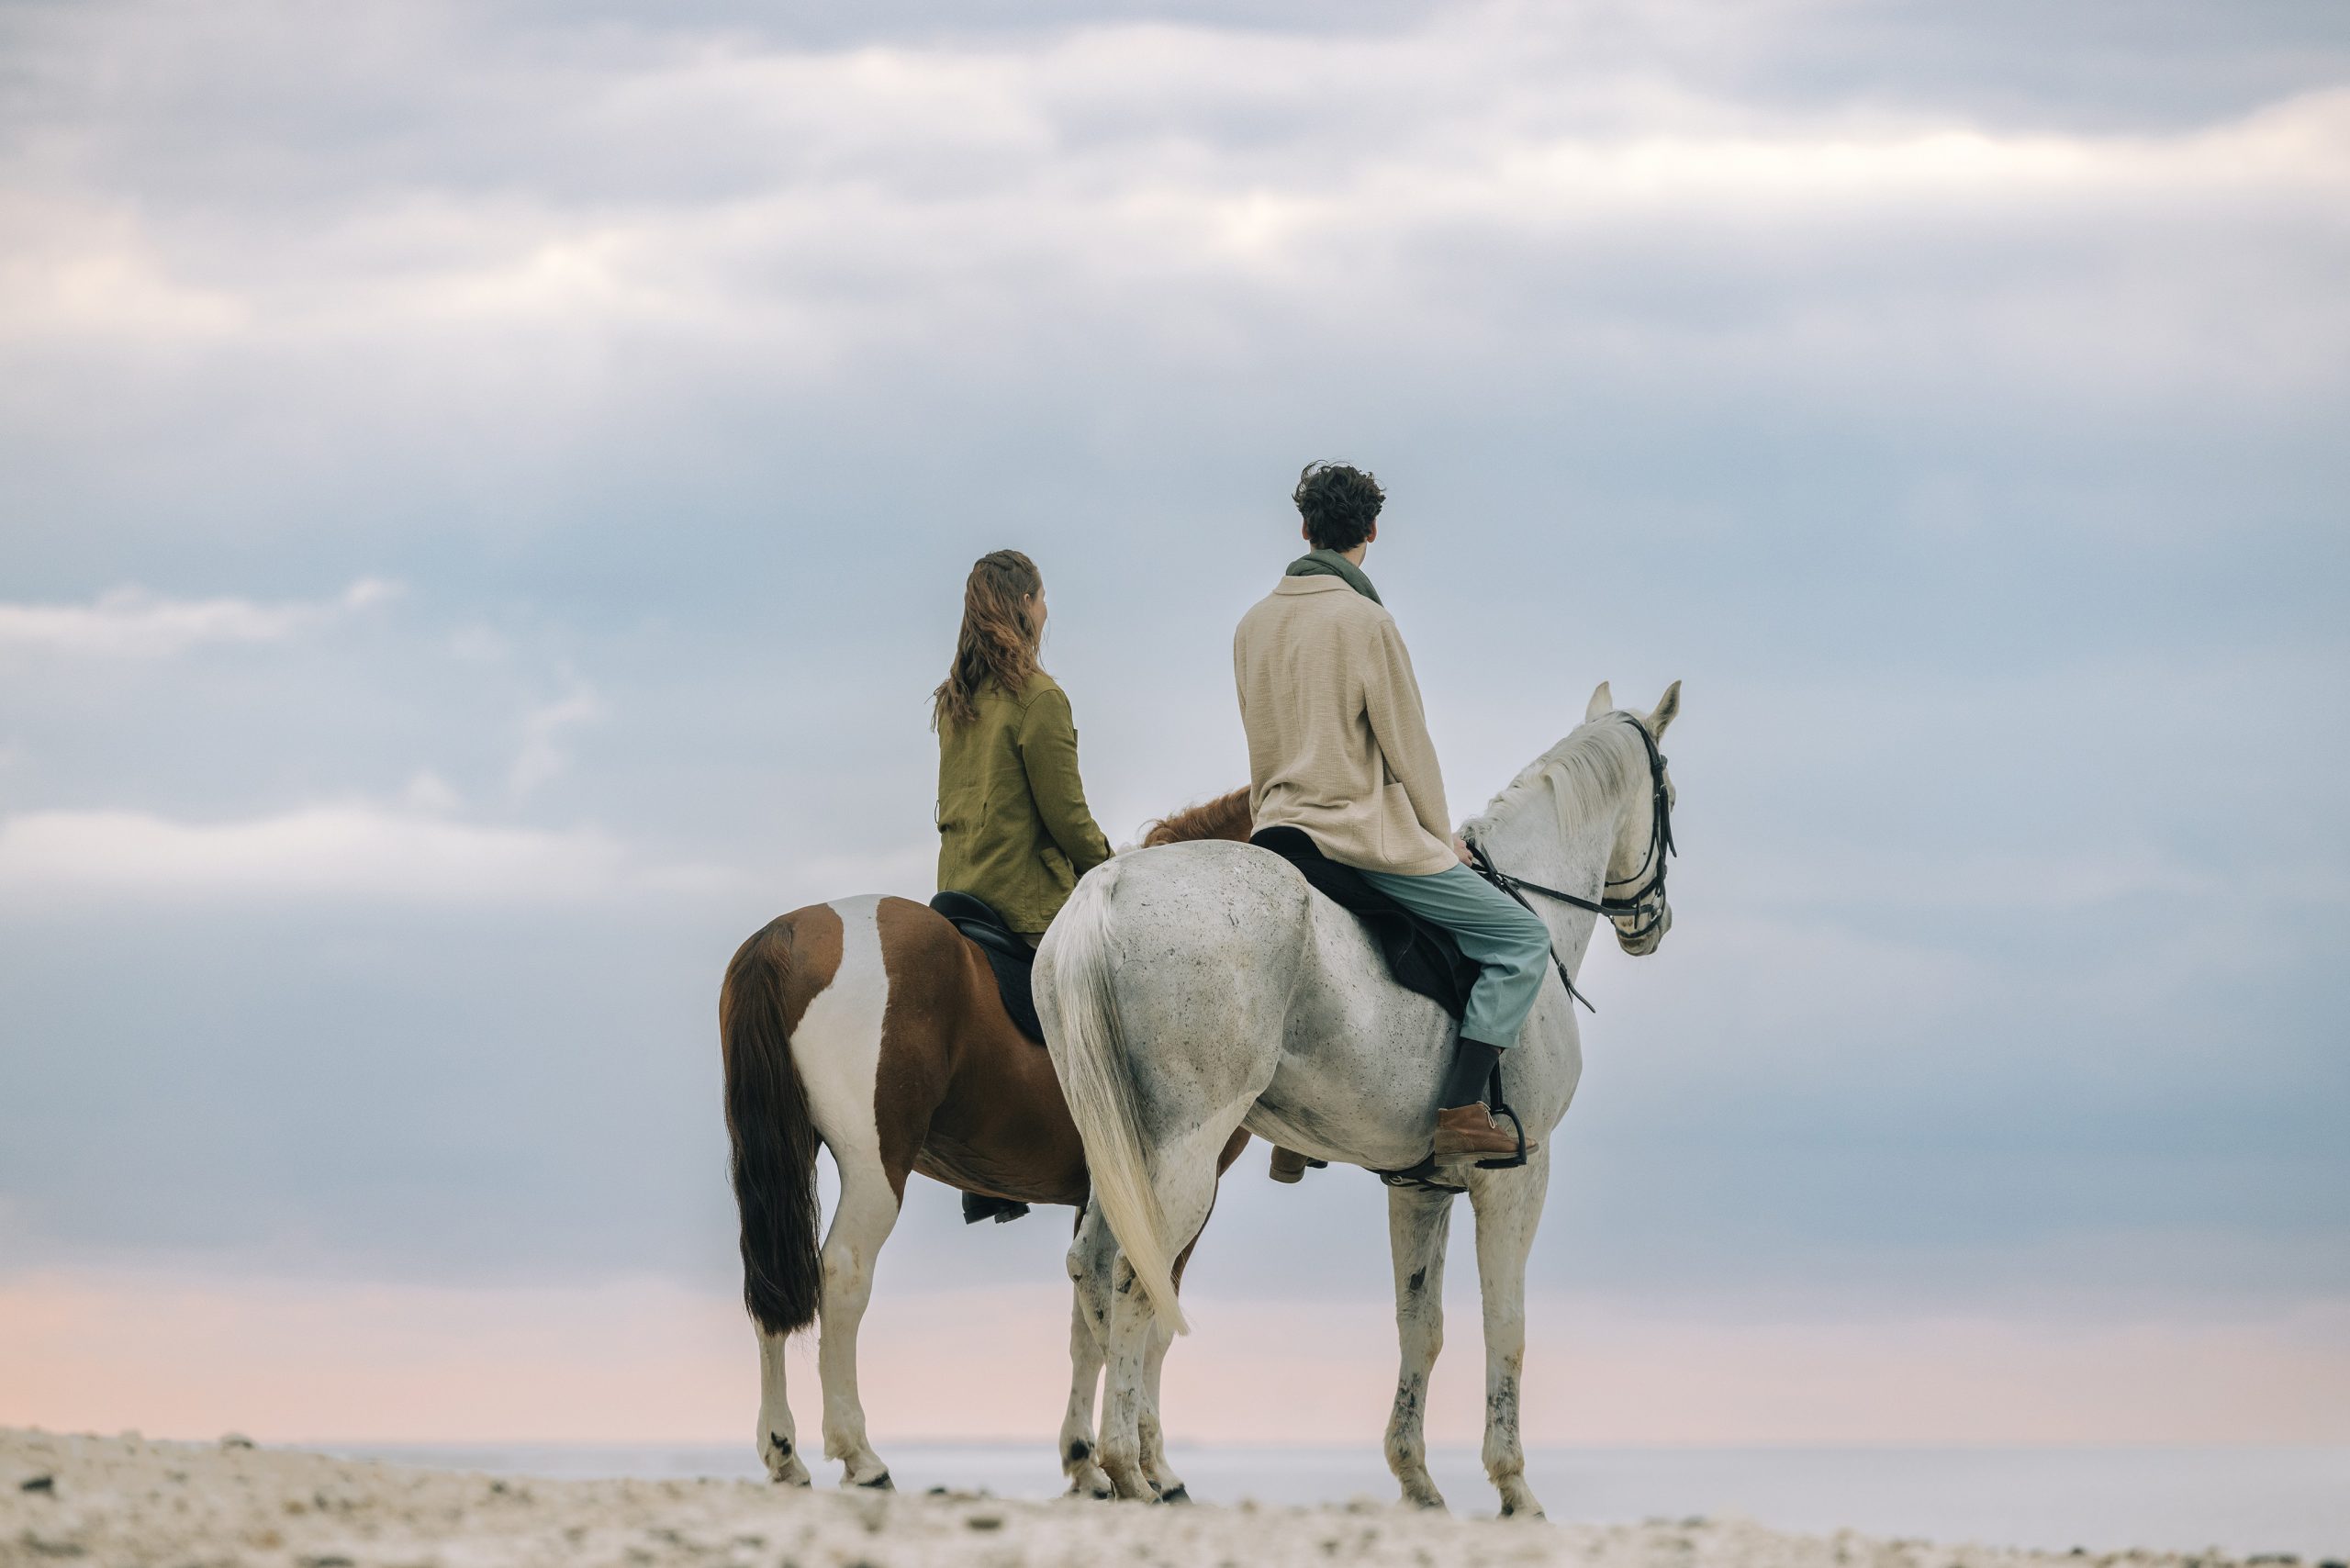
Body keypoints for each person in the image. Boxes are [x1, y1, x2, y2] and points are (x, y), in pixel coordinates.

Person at [1233, 463, 1550, 1162]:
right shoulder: (1367, 622)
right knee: (1521, 941)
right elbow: (1409, 748)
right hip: (1353, 837)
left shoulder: (1251, 625)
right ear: (1372, 531)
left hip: (1275, 833)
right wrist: (1445, 840)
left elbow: (1259, 743)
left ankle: (1297, 1134)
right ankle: (1463, 1110)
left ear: (1304, 527)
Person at [934, 549, 1114, 949]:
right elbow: (1067, 816)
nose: (1046, 611)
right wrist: (1111, 868)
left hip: (956, 896)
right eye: (1043, 598)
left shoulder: (954, 701)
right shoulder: (1039, 698)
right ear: (1025, 603)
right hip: (1024, 910)